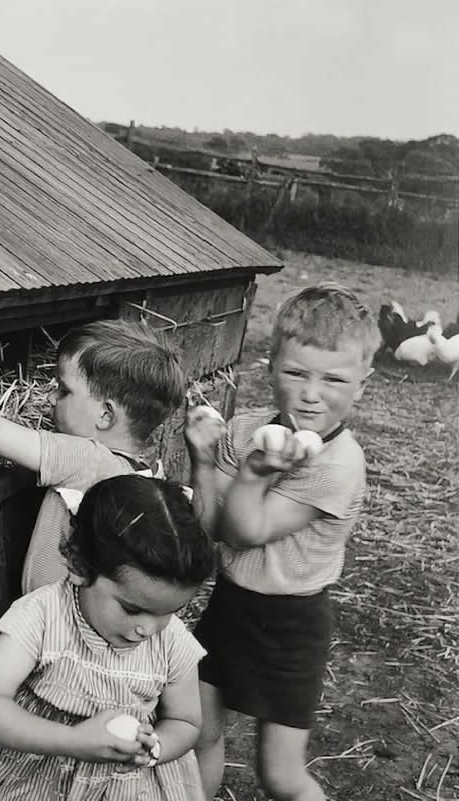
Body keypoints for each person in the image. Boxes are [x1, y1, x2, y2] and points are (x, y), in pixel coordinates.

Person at [184, 282, 380, 801]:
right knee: (197, 733)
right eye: (296, 372)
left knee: (280, 775)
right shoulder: (248, 427)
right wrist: (204, 461)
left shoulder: (339, 465)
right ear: (270, 366)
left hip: (292, 625)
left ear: (363, 383)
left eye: (333, 379)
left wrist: (251, 473)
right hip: (231, 605)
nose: (311, 393)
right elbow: (211, 529)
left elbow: (245, 532)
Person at [0, 474, 215, 801]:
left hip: (123, 787)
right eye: (131, 609)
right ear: (79, 566)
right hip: (34, 778)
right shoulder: (43, 615)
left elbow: (185, 721)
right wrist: (73, 741)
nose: (149, 629)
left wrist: (154, 748)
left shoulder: (172, 642)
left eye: (170, 611)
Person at [0, 318, 186, 593]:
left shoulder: (88, 460)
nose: (50, 398)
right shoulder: (144, 469)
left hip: (49, 621)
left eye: (64, 390)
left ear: (105, 415)